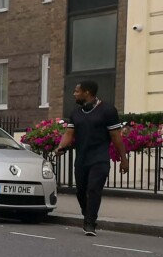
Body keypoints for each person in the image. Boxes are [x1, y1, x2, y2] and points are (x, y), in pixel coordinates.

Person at [54, 80, 128, 236]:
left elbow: (116, 137)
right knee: (81, 192)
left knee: (93, 189)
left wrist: (124, 160)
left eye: (77, 91)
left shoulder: (108, 110)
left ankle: (89, 223)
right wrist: (60, 147)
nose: (74, 94)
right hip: (82, 159)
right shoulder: (76, 113)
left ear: (87, 92)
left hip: (100, 158)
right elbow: (69, 134)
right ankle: (88, 215)